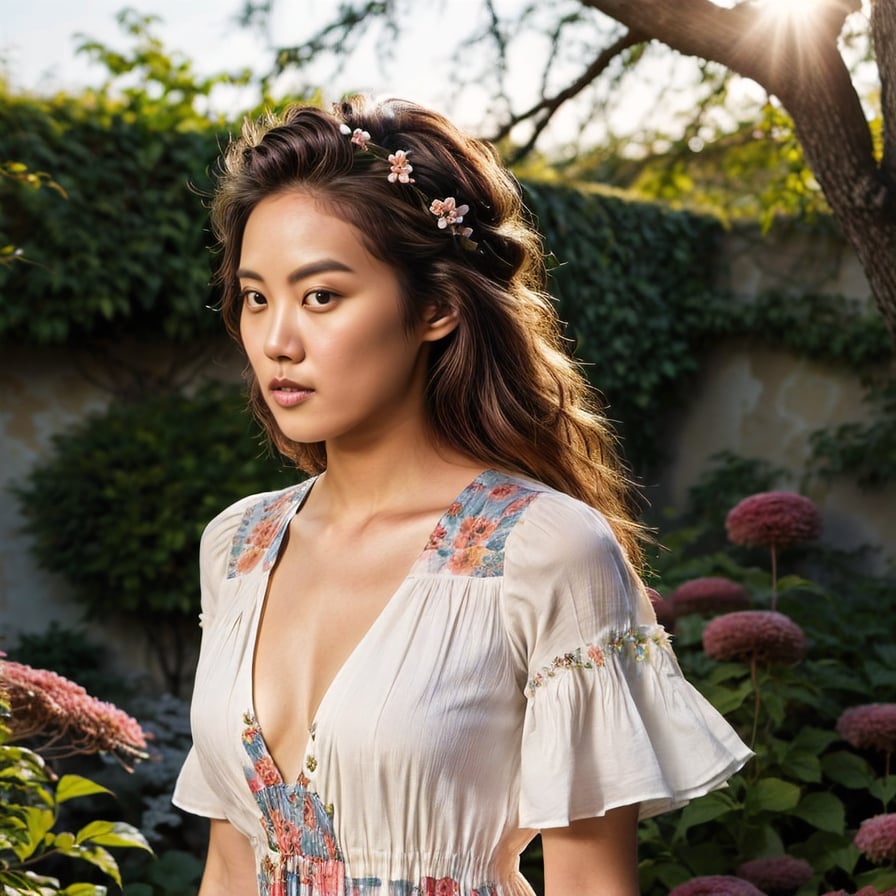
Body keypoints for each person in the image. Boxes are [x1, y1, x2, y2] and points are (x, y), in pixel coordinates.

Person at [173, 95, 752, 896]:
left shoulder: (546, 551)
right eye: (256, 296)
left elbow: (590, 884)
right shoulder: (237, 545)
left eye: (321, 297)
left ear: (438, 308)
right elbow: (232, 865)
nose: (276, 341)